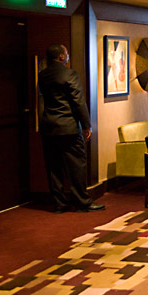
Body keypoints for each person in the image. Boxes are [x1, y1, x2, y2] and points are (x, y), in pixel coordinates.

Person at [38, 44, 105, 213]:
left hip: (48, 126)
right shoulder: (69, 74)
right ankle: (82, 201)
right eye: (66, 53)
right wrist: (87, 125)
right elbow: (78, 101)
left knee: (53, 167)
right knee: (77, 165)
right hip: (68, 126)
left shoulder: (42, 75)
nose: (67, 56)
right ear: (61, 56)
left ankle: (60, 203)